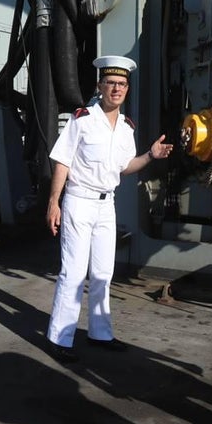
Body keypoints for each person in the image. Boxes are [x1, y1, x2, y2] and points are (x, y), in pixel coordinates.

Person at [45, 55, 174, 363]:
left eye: (122, 84)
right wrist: (54, 202)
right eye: (111, 83)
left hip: (106, 204)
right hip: (78, 199)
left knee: (103, 272)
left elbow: (124, 168)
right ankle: (59, 338)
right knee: (73, 272)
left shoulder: (127, 128)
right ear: (100, 86)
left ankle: (100, 333)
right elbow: (62, 160)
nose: (116, 89)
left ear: (127, 89)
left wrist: (150, 156)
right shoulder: (82, 119)